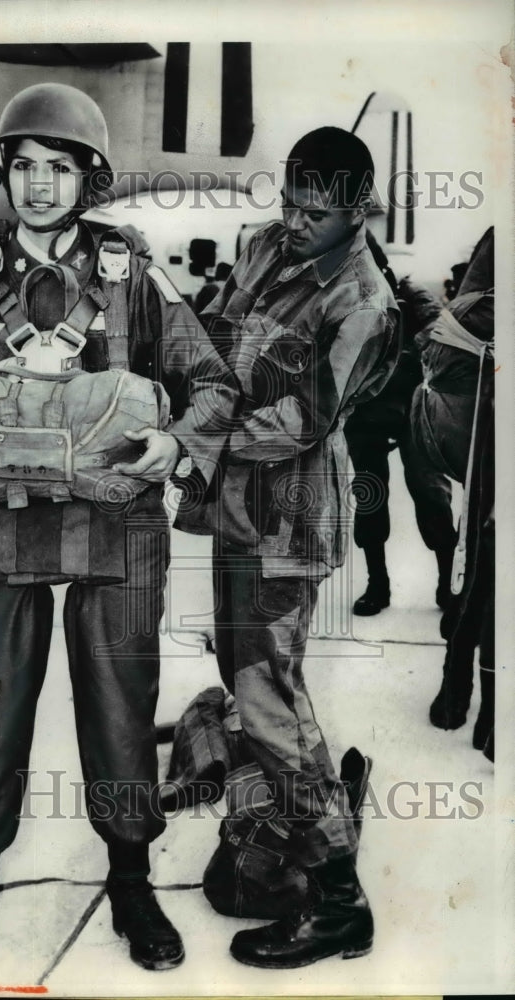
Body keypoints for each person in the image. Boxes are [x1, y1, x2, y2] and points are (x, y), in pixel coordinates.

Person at [0, 83, 236, 983]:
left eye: (60, 167)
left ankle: (130, 883)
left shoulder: (138, 278)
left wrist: (171, 439)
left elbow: (213, 387)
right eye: (25, 166)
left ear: (90, 177)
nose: (40, 186)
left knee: (119, 713)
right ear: (4, 172)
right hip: (1, 532)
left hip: (117, 526)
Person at [181, 126, 399, 968]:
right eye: (288, 203)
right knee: (245, 676)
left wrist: (190, 436)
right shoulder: (267, 246)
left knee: (269, 697)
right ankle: (277, 833)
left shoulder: (360, 301)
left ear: (354, 208)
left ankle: (339, 900)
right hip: (237, 509)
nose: (293, 222)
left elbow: (298, 423)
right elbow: (220, 333)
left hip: (287, 519)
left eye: (313, 212)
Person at [410, 227, 494, 758]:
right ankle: (461, 679)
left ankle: (472, 688)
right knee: (483, 556)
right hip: (486, 406)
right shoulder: (497, 243)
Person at [345, 235, 456, 616]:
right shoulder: (344, 300)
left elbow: (441, 335)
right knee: (369, 497)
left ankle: (449, 581)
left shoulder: (410, 295)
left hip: (413, 410)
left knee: (431, 493)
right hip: (365, 414)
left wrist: (398, 356)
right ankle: (378, 584)